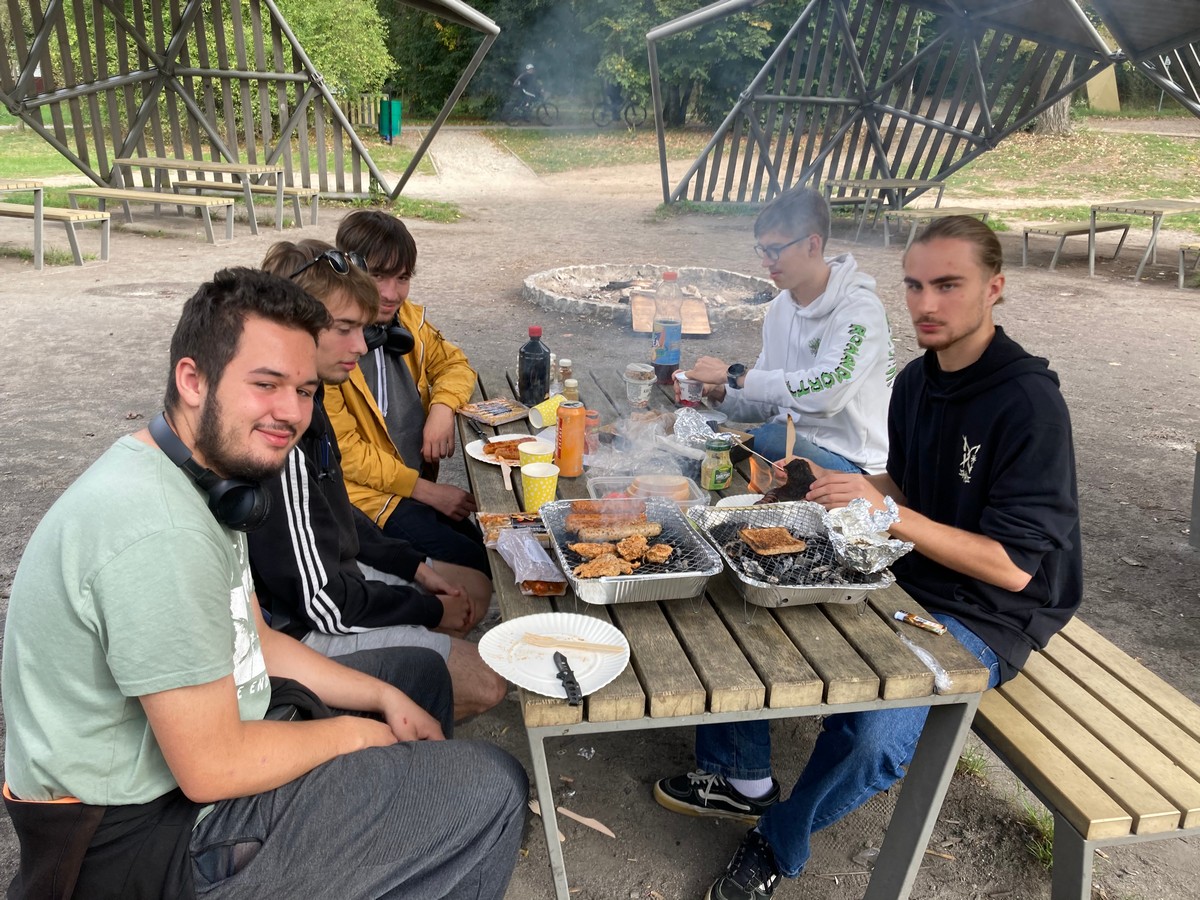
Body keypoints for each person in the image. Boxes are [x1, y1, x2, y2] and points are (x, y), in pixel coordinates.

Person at [1, 268, 527, 899]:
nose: (292, 412)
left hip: (204, 763)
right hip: (146, 840)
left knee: (419, 677)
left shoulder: (203, 478)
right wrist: (359, 735)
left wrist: (384, 698)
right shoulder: (159, 532)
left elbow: (258, 641)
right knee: (492, 785)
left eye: (304, 390)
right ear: (192, 380)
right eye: (266, 384)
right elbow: (212, 767)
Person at [655, 216, 1083, 900]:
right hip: (907, 563)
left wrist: (882, 509)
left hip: (991, 609)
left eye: (948, 285)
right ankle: (739, 774)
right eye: (915, 286)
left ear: (994, 288)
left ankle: (777, 837)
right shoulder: (918, 381)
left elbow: (1013, 567)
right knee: (747, 581)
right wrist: (836, 487)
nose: (926, 304)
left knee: (873, 737)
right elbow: (906, 488)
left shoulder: (1029, 405)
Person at [253, 240, 506, 722]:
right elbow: (324, 605)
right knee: (487, 679)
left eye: (363, 329)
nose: (362, 345)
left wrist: (415, 569)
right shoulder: (276, 434)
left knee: (470, 585)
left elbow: (338, 515)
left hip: (334, 585)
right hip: (298, 632)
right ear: (296, 328)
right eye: (345, 329)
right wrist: (426, 610)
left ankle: (413, 682)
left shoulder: (312, 400)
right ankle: (365, 730)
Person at [681, 186, 896, 473]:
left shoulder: (860, 311)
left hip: (852, 464)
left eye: (774, 250)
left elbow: (826, 395)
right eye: (762, 250)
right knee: (704, 450)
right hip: (790, 445)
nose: (765, 262)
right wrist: (721, 392)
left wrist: (734, 375)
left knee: (763, 439)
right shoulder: (781, 308)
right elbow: (766, 401)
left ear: (812, 245)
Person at [327, 209, 489, 575]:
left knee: (489, 547)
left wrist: (443, 408)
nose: (391, 293)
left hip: (408, 487)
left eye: (402, 278)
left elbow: (456, 365)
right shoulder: (329, 349)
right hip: (367, 499)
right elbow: (345, 452)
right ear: (348, 269)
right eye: (377, 276)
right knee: (477, 564)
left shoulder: (409, 321)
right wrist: (428, 492)